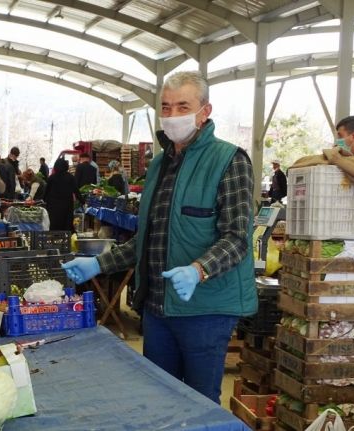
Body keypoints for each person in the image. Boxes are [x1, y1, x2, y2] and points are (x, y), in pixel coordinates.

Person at [62, 71, 257, 404]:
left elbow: (238, 238)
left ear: (204, 111)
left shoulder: (229, 161)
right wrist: (99, 263)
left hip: (206, 310)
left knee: (199, 404)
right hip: (157, 307)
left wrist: (199, 270)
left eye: (183, 106)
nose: (172, 115)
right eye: (165, 107)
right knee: (157, 399)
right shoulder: (158, 166)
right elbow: (147, 239)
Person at [45, 158, 83, 231]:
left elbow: (46, 192)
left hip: (53, 206)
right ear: (66, 166)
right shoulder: (70, 178)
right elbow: (76, 191)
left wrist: (44, 201)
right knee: (66, 225)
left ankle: (54, 240)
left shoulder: (51, 178)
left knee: (54, 224)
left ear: (55, 166)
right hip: (67, 205)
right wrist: (83, 201)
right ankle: (66, 240)